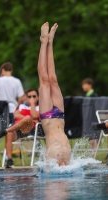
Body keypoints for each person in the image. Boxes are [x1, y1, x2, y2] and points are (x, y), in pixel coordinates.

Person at [37, 22, 71, 166]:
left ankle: (45, 42)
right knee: (53, 80)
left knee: (45, 80)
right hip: (59, 116)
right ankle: (48, 41)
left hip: (48, 118)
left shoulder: (51, 162)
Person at [5, 89, 40, 168]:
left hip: (31, 129)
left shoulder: (39, 107)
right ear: (26, 98)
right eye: (29, 96)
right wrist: (27, 119)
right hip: (18, 129)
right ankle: (9, 160)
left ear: (38, 97)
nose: (32, 98)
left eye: (34, 96)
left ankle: (6, 130)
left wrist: (32, 105)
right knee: (9, 134)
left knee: (28, 118)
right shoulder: (21, 106)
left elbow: (35, 116)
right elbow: (15, 115)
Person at [82, 78, 98, 153]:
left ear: (90, 85)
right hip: (88, 118)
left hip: (93, 117)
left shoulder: (94, 95)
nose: (83, 87)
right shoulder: (86, 96)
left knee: (94, 135)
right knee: (89, 135)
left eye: (85, 85)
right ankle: (90, 151)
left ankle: (94, 151)